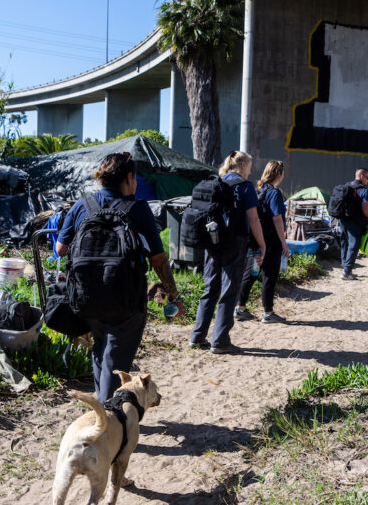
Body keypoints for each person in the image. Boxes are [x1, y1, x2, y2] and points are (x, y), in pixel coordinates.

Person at [55, 152, 185, 402]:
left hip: (86, 298)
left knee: (101, 349)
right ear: (128, 177)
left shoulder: (82, 205)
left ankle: (101, 408)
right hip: (126, 300)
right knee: (115, 360)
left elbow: (60, 249)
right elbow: (158, 259)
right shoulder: (138, 209)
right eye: (135, 177)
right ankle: (107, 417)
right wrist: (173, 294)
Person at [189, 150, 266, 354]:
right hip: (234, 243)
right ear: (241, 165)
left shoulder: (217, 182)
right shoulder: (244, 186)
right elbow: (253, 219)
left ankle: (197, 337)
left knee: (210, 288)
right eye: (249, 165)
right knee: (229, 290)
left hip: (212, 241)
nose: (251, 170)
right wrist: (262, 244)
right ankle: (220, 341)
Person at [235, 160, 292, 323]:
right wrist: (284, 243)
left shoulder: (258, 191)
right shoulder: (274, 193)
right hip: (271, 242)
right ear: (279, 174)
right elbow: (277, 219)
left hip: (256, 240)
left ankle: (240, 308)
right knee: (269, 275)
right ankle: (268, 313)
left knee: (251, 273)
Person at [339, 167, 368, 280]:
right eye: (367, 177)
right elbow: (365, 210)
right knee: (354, 245)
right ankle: (347, 272)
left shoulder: (346, 187)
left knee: (345, 243)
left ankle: (345, 268)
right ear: (361, 176)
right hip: (355, 221)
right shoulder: (364, 191)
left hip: (343, 219)